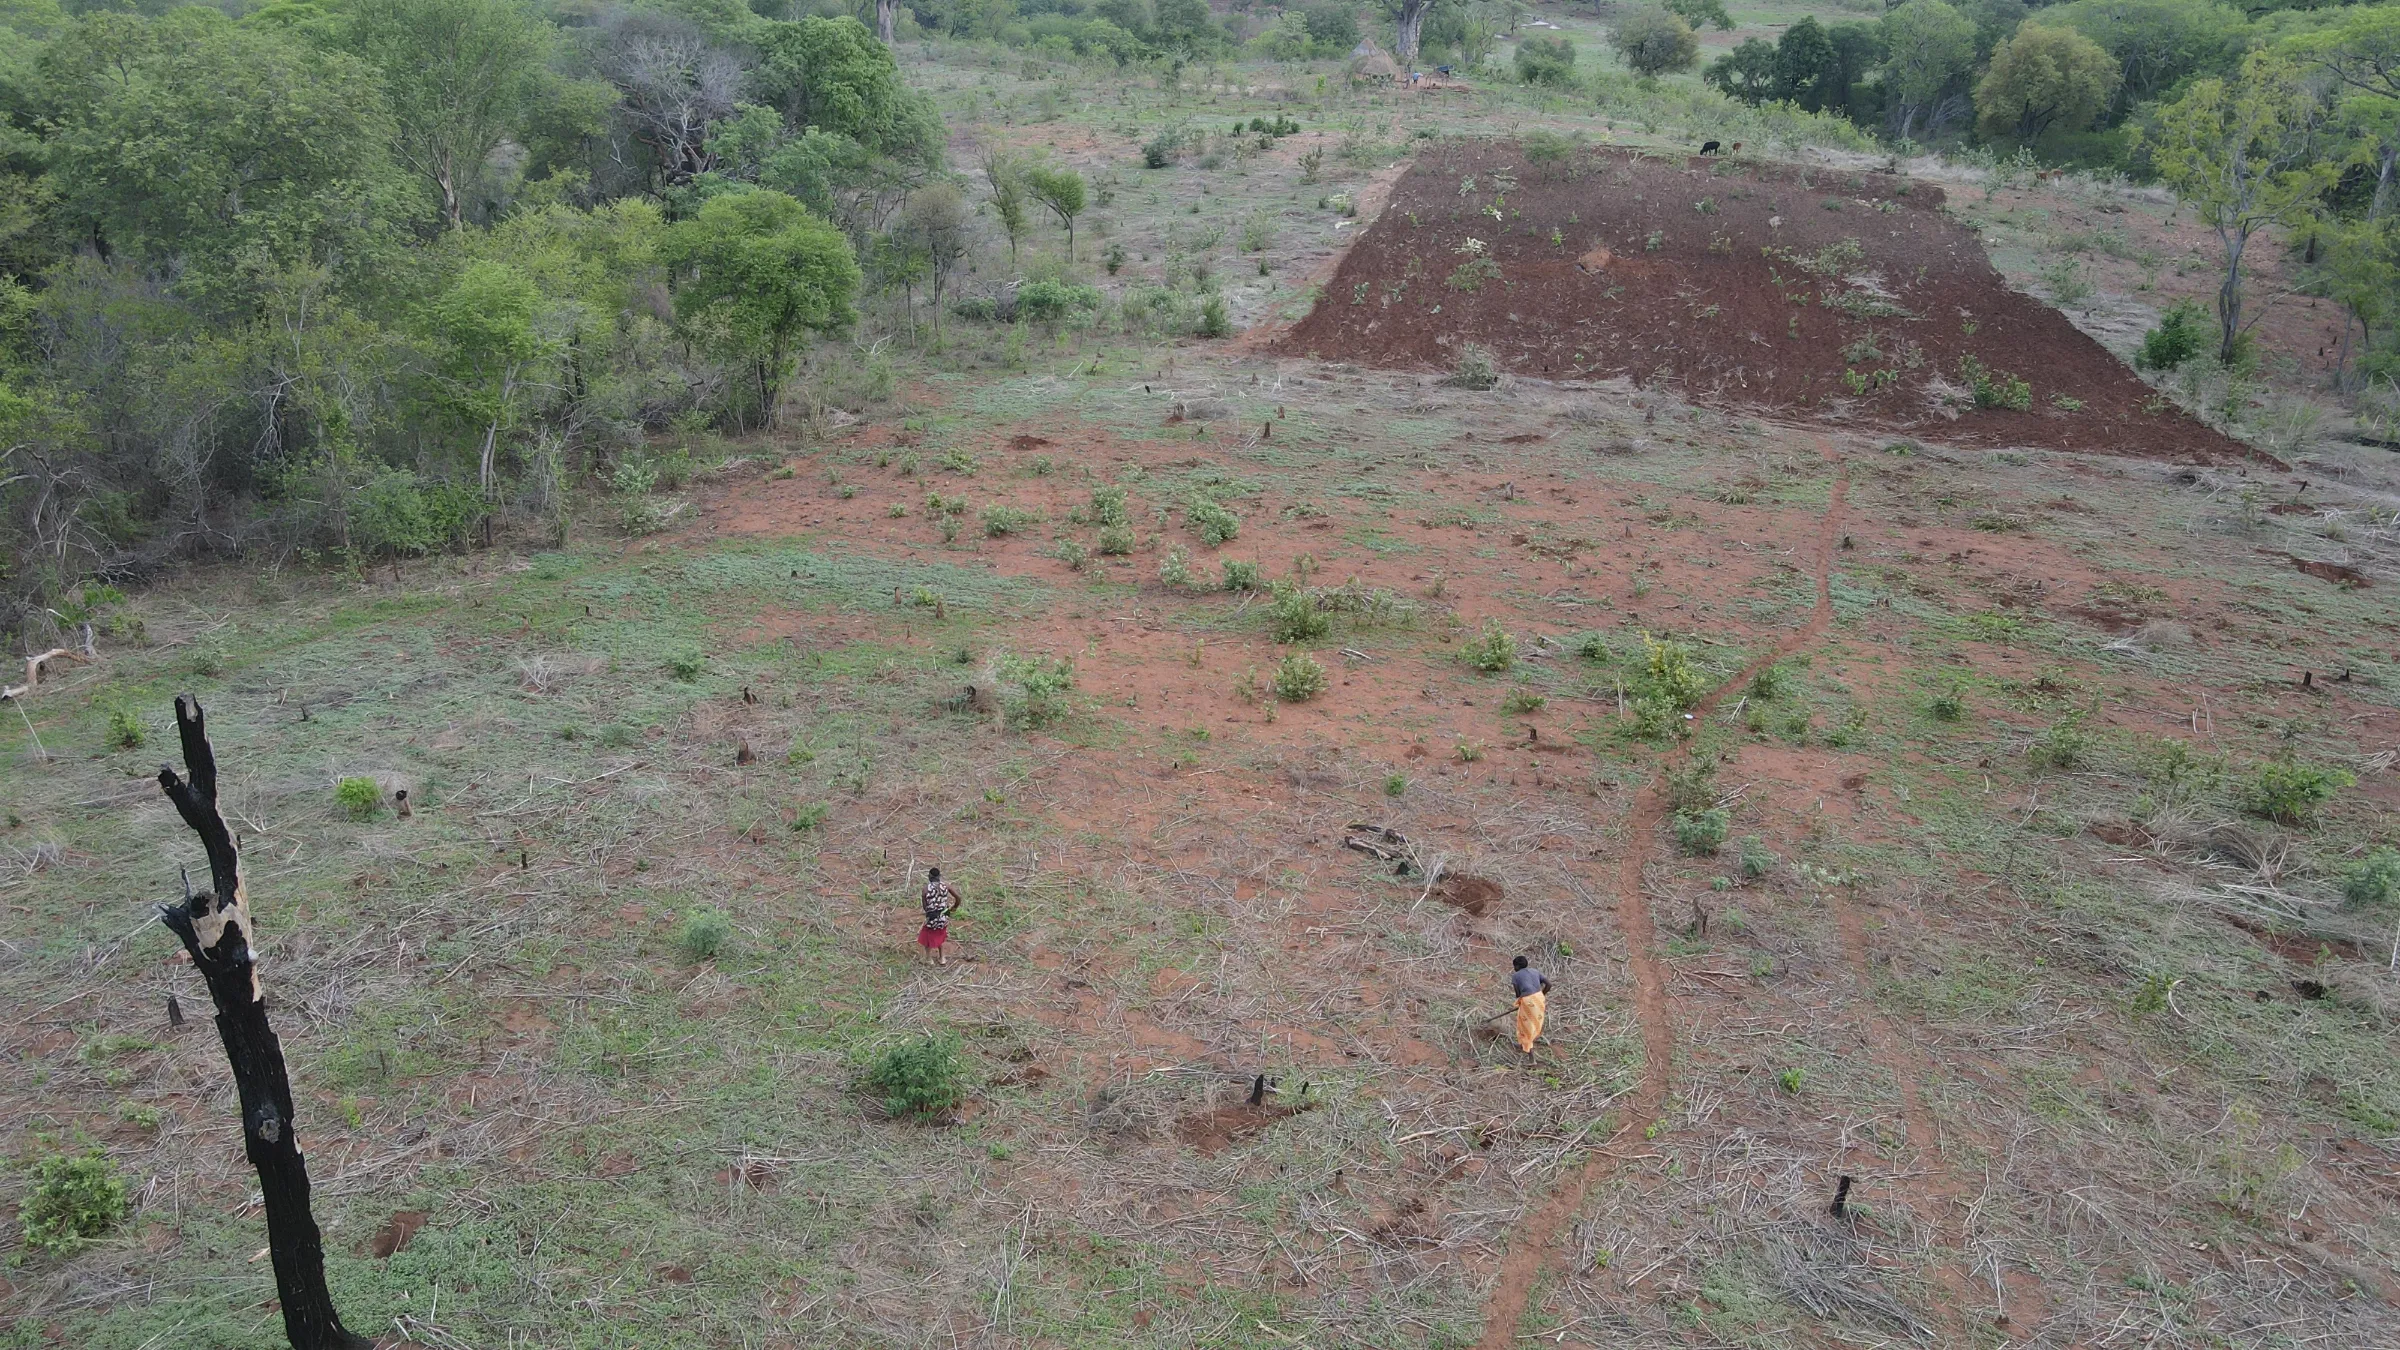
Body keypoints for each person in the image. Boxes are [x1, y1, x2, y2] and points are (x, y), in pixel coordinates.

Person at [918, 867, 962, 966]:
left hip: (932, 916)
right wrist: (953, 908)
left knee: (927, 937)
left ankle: (928, 959)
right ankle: (942, 957)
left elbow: (925, 907)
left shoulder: (925, 889)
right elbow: (958, 898)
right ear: (939, 876)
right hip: (945, 914)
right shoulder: (946, 886)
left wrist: (931, 911)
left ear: (929, 876)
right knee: (940, 935)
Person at [1511, 955, 1550, 1056]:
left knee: (1526, 1027)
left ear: (1517, 966)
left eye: (1514, 966)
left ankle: (1531, 1059)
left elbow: (1518, 994)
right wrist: (1540, 995)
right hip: (1540, 999)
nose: (1514, 969)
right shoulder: (1535, 971)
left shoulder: (1515, 976)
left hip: (1528, 1001)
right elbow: (1549, 984)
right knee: (1532, 1025)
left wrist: (1527, 1001)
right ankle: (1522, 1044)